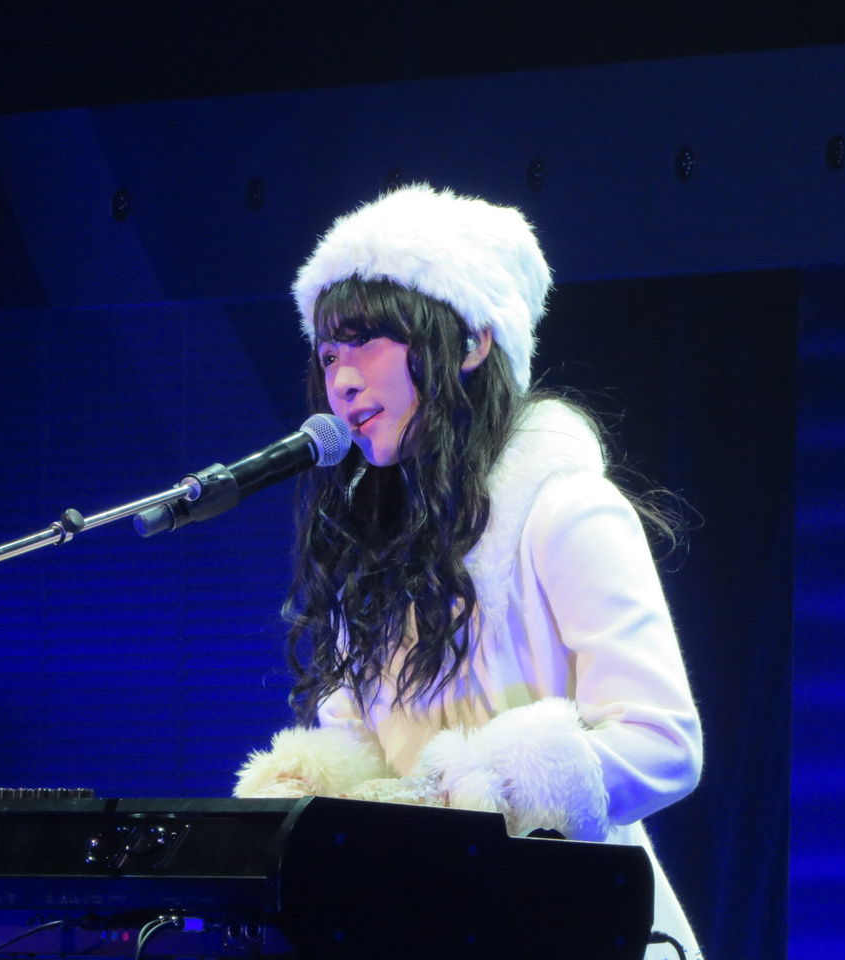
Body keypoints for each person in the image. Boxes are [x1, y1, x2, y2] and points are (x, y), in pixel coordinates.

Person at [233, 184, 703, 960]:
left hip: (582, 929)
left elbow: (665, 741)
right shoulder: (370, 559)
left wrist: (490, 785)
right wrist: (322, 797)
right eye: (328, 354)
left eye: (365, 342)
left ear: (472, 341)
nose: (341, 380)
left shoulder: (564, 508)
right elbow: (366, 756)